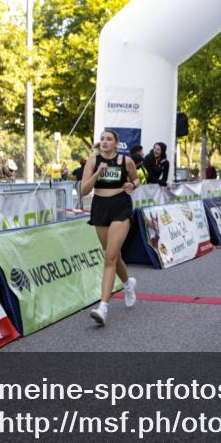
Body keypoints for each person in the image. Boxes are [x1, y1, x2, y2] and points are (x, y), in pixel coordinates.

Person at [84, 129, 140, 327]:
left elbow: (136, 179)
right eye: (102, 139)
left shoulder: (126, 161)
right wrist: (98, 172)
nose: (105, 142)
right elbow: (83, 190)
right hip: (100, 207)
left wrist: (133, 185)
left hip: (120, 207)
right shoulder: (93, 161)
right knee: (114, 256)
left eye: (109, 139)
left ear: (117, 143)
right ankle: (128, 284)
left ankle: (103, 308)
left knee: (109, 258)